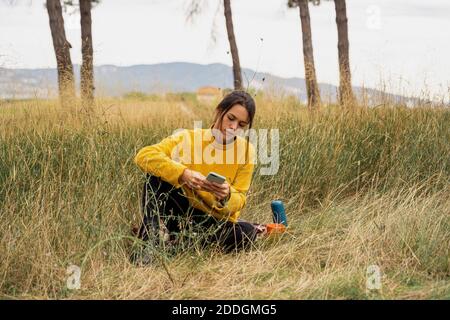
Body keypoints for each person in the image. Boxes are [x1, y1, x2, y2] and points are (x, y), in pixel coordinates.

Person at [134, 90, 259, 257]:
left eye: (242, 125)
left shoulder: (246, 151)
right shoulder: (188, 138)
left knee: (247, 232)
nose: (233, 127)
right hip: (181, 212)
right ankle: (150, 240)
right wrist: (183, 174)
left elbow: (240, 199)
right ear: (219, 111)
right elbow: (144, 156)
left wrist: (227, 195)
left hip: (213, 221)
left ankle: (177, 246)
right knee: (155, 176)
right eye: (231, 118)